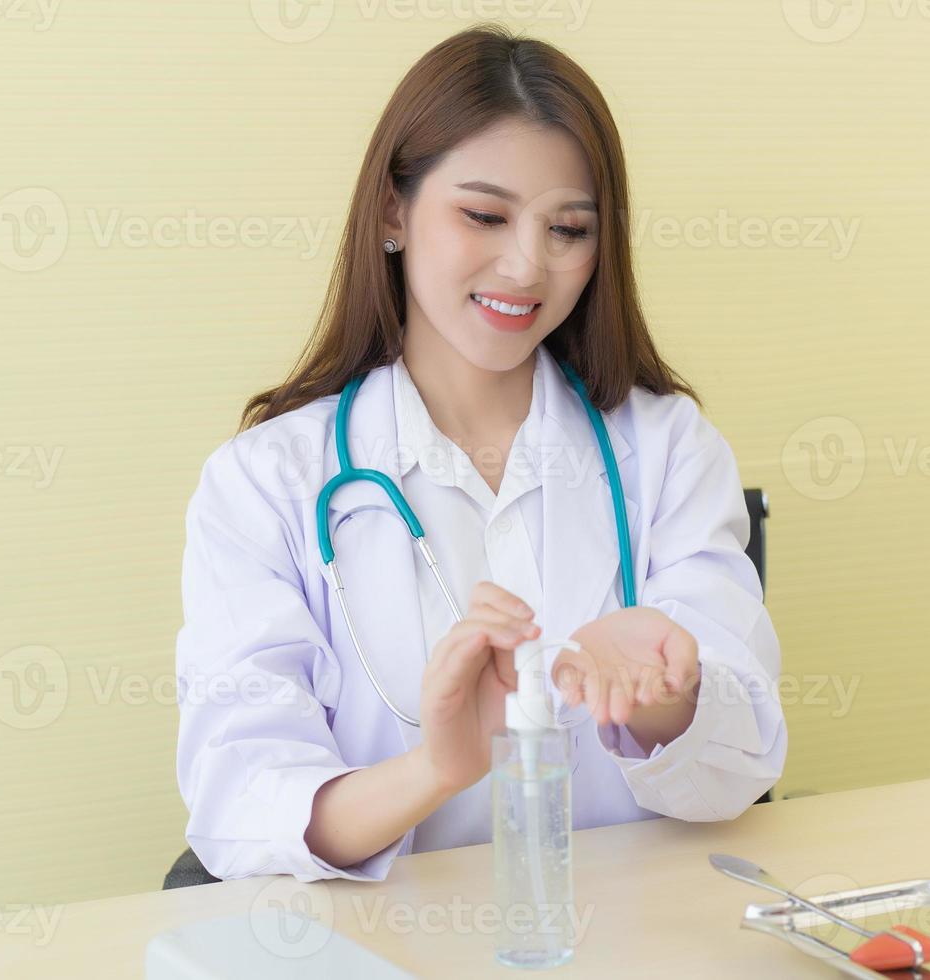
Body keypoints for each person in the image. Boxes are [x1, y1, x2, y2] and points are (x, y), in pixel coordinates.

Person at [174, 23, 786, 882]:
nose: (527, 267)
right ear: (394, 210)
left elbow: (742, 764)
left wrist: (667, 697)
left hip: (634, 943)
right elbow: (239, 799)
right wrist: (437, 768)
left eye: (569, 229)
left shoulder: (668, 447)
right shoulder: (266, 484)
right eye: (484, 215)